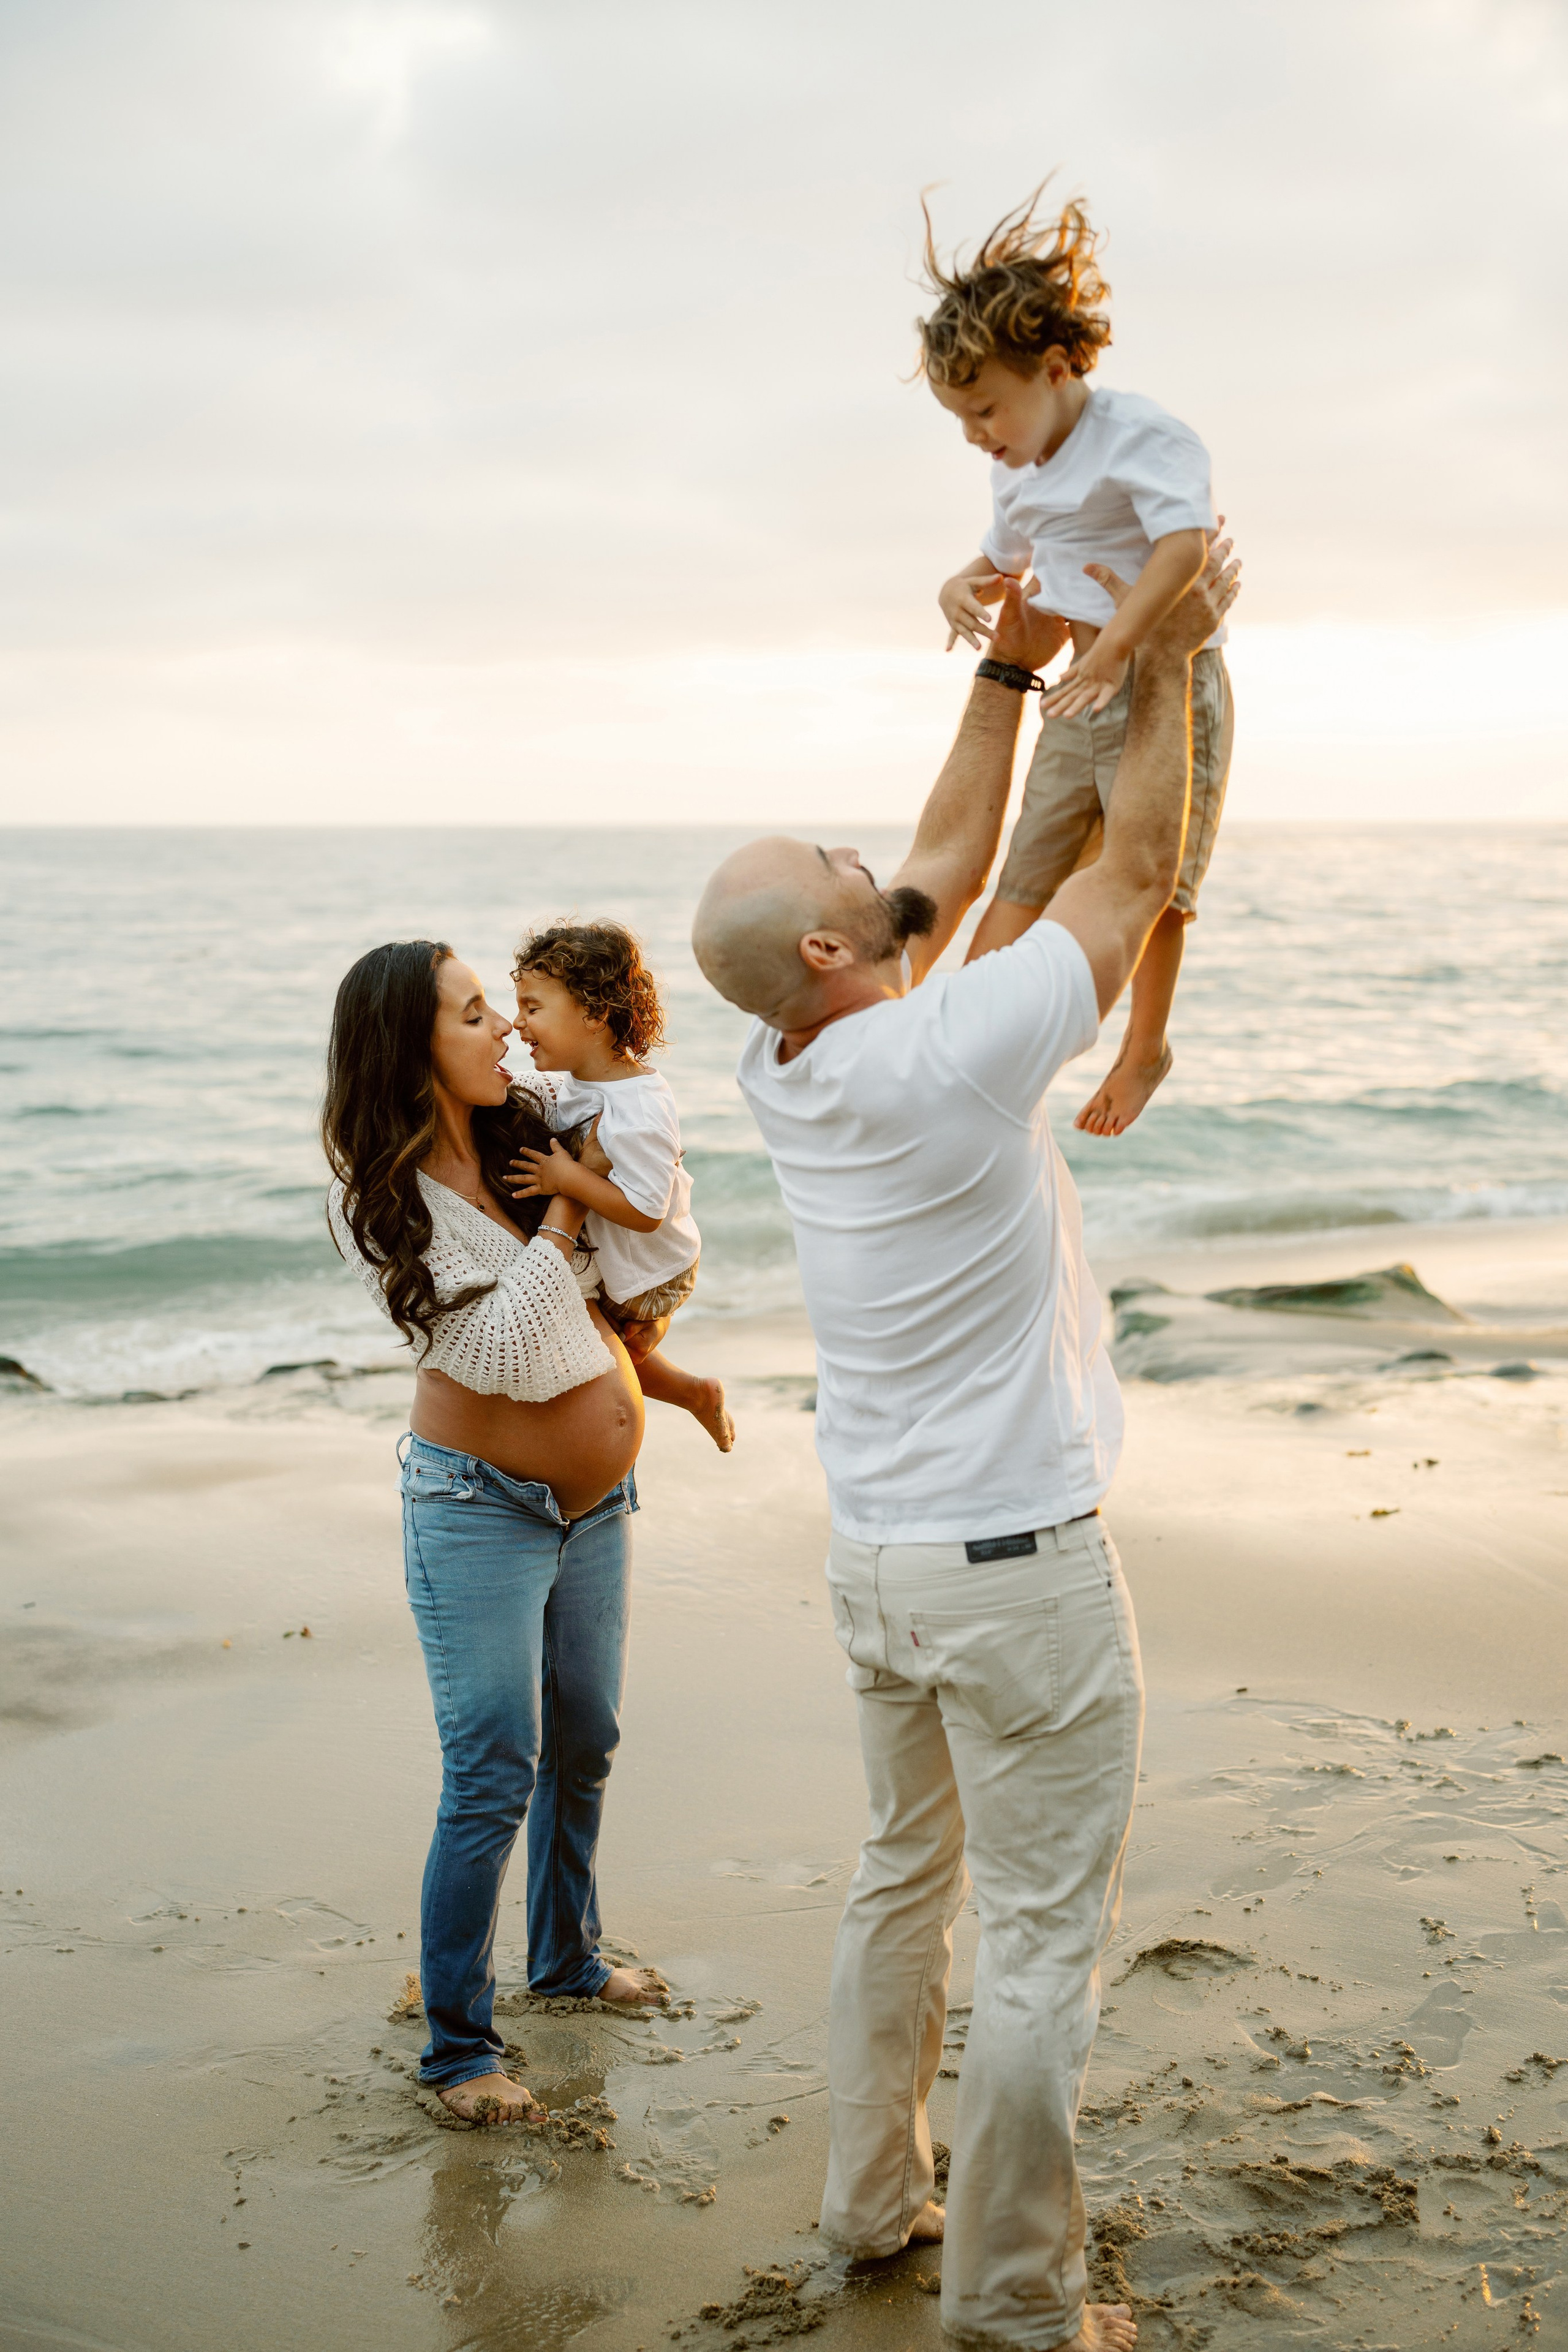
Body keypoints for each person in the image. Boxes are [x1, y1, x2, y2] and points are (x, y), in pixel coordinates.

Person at [691, 541, 1240, 2352]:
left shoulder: (792, 1059)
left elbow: (935, 867)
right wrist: (1154, 643)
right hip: (1016, 1575)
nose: (881, 865)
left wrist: (1005, 674)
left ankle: (869, 2203)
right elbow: (1137, 867)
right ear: (833, 953)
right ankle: (1011, 2303)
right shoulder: (951, 1050)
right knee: (1030, 1942)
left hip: (877, 1566)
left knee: (895, 1874)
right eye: (848, 880)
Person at [323, 939, 665, 2125]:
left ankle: (566, 1960)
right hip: (478, 1510)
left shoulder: (533, 1134)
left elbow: (651, 1215)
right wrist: (569, 1220)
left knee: (588, 1738)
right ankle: (457, 2050)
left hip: (597, 1504)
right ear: (407, 1052)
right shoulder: (379, 1201)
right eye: (476, 1015)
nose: (505, 1033)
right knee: (489, 1774)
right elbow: (506, 1353)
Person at [923, 181, 1233, 1141]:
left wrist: (1123, 650)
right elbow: (1008, 554)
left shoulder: (1140, 435)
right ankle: (957, 1034)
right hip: (1078, 689)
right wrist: (960, 583)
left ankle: (1147, 1048)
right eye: (963, 420)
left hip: (1166, 681)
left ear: (1055, 368)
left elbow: (1183, 546)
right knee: (1032, 864)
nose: (979, 435)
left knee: (1156, 882)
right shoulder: (1015, 473)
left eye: (985, 410)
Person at [508, 919, 734, 1452]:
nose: (517, 1023)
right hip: (638, 1261)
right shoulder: (586, 1082)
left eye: (532, 1008)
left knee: (605, 1360)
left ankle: (699, 1395)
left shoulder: (637, 1109)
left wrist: (568, 1178)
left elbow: (646, 1212)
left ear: (593, 1014)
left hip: (655, 1271)